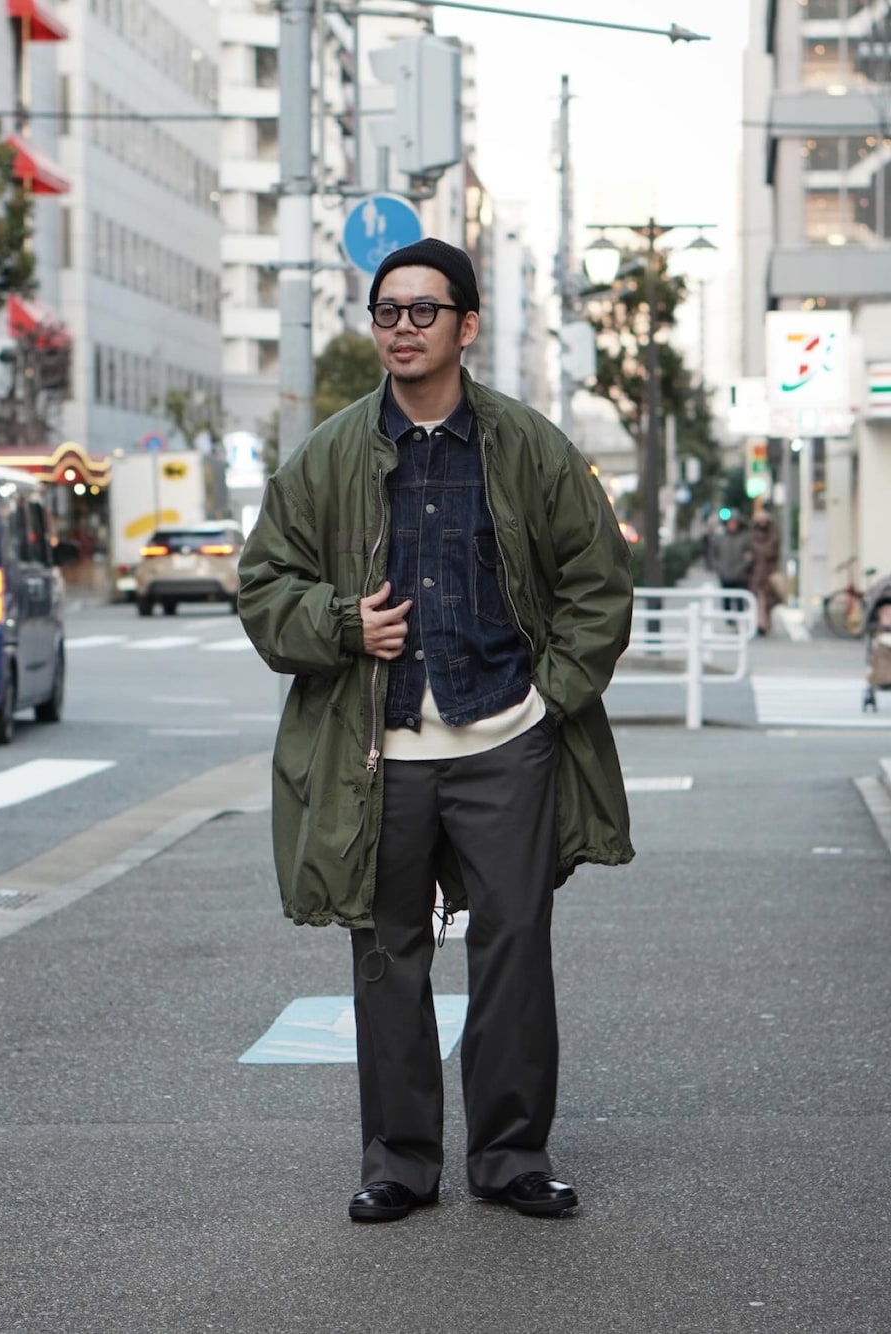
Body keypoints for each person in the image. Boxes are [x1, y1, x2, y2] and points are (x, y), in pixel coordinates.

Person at [238, 238, 634, 1224]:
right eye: (387, 311)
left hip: (505, 737)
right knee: (387, 953)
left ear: (467, 326)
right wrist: (342, 622)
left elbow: (597, 581)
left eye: (424, 310)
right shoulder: (329, 453)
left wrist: (547, 697)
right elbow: (263, 585)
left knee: (514, 947)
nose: (403, 328)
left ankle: (511, 1155)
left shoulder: (528, 445)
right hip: (378, 752)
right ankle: (400, 1161)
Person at [711, 511, 753, 617]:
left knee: (740, 600)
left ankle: (740, 619)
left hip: (740, 575)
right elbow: (714, 554)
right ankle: (729, 621)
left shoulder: (745, 537)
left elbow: (750, 555)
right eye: (730, 522)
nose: (732, 525)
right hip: (725, 574)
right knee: (726, 600)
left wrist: (744, 567)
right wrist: (719, 568)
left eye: (734, 522)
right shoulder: (720, 538)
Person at [748, 509, 782, 636]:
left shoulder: (773, 532)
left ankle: (765, 623)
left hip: (769, 572)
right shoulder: (751, 533)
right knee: (758, 599)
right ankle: (761, 624)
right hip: (755, 572)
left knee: (769, 600)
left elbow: (772, 550)